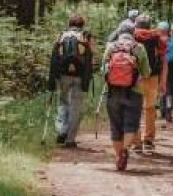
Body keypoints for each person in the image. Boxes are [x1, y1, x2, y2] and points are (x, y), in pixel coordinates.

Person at [102, 29, 151, 171]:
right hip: (134, 92)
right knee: (131, 124)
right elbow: (146, 72)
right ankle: (124, 150)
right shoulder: (139, 48)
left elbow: (103, 69)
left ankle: (118, 156)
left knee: (115, 125)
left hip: (113, 92)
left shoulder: (111, 47)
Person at [48, 15, 93, 147]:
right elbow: (90, 58)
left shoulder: (62, 36)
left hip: (63, 76)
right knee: (76, 107)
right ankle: (70, 139)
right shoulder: (85, 37)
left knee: (63, 102)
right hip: (79, 76)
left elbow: (54, 57)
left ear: (69, 24)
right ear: (82, 25)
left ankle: (62, 129)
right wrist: (87, 78)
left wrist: (53, 77)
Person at [132, 15, 168, 153]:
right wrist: (163, 81)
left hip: (135, 78)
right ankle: (148, 140)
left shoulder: (132, 36)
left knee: (135, 108)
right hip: (152, 77)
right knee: (150, 108)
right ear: (149, 25)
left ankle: (136, 142)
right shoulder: (157, 37)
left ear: (137, 24)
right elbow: (164, 60)